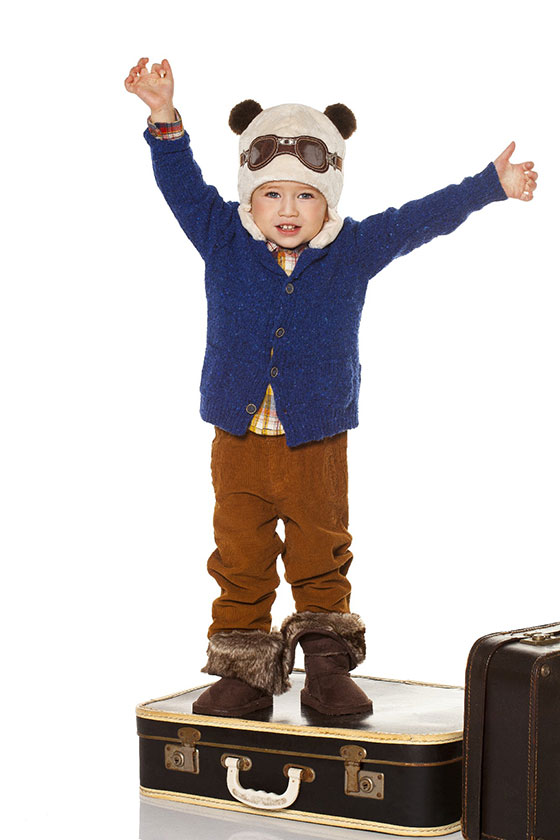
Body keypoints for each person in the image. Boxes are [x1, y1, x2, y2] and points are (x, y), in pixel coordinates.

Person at [124, 57, 538, 717]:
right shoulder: (223, 238)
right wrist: (164, 117)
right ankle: (245, 673)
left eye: (306, 195)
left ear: (330, 198)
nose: (288, 209)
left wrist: (490, 184)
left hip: (316, 444)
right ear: (249, 197)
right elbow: (181, 183)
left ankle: (325, 667)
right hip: (238, 443)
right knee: (239, 556)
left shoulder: (353, 249)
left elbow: (420, 218)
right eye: (272, 194)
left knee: (321, 554)